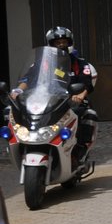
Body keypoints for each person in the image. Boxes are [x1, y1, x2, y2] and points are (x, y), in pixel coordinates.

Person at [43, 27, 97, 165]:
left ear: (69, 43)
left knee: (89, 114)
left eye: (64, 42)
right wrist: (18, 91)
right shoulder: (45, 63)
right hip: (49, 102)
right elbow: (30, 79)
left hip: (72, 102)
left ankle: (80, 149)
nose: (61, 45)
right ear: (51, 44)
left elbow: (87, 83)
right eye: (57, 42)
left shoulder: (79, 63)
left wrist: (80, 95)